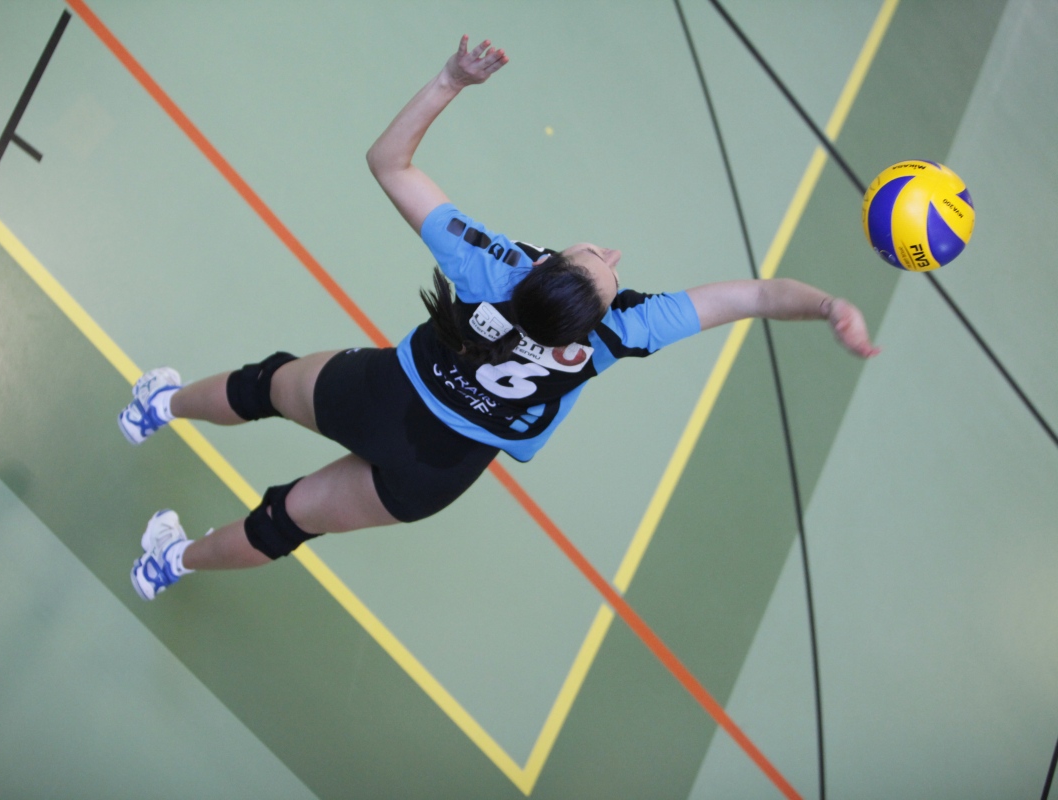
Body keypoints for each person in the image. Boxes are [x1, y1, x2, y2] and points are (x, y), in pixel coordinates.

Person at [118, 35, 880, 600]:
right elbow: (753, 297)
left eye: (602, 262)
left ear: (547, 266)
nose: (612, 254)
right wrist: (827, 306)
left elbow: (389, 162)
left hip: (382, 394)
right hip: (434, 472)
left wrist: (450, 80)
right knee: (285, 523)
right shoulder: (621, 333)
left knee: (265, 385)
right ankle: (168, 565)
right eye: (608, 264)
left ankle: (159, 406)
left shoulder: (493, 268)